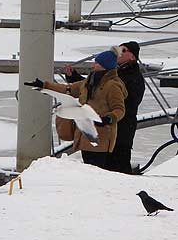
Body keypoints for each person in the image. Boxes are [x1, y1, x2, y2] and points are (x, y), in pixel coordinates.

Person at [25, 47, 127, 169]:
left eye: (97, 63)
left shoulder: (112, 86)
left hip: (101, 135)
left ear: (105, 66)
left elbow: (119, 109)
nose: (93, 65)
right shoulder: (89, 82)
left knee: (96, 169)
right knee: (88, 167)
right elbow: (67, 89)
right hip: (85, 132)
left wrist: (108, 119)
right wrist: (44, 85)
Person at [65, 42, 145, 174]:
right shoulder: (113, 74)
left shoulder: (133, 77)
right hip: (105, 128)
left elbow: (127, 103)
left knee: (118, 167)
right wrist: (73, 77)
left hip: (121, 129)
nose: (119, 52)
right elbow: (93, 88)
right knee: (103, 166)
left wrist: (110, 113)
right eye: (118, 50)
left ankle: (122, 190)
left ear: (132, 57)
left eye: (123, 50)